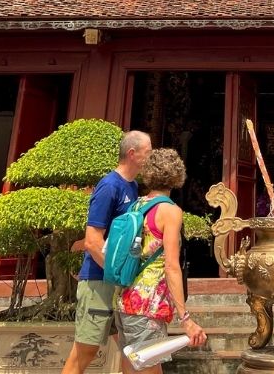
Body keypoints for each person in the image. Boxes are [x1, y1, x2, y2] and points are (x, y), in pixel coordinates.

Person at [62, 130, 153, 374]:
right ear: (132, 154)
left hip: (116, 283)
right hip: (99, 281)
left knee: (129, 351)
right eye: (148, 152)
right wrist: (120, 275)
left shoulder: (132, 186)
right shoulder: (109, 186)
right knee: (85, 351)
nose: (151, 158)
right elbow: (92, 242)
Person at [115, 148, 207, 374]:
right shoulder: (170, 211)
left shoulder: (137, 205)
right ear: (177, 177)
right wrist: (185, 318)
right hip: (148, 304)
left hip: (125, 299)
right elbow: (171, 266)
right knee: (149, 370)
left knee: (131, 368)